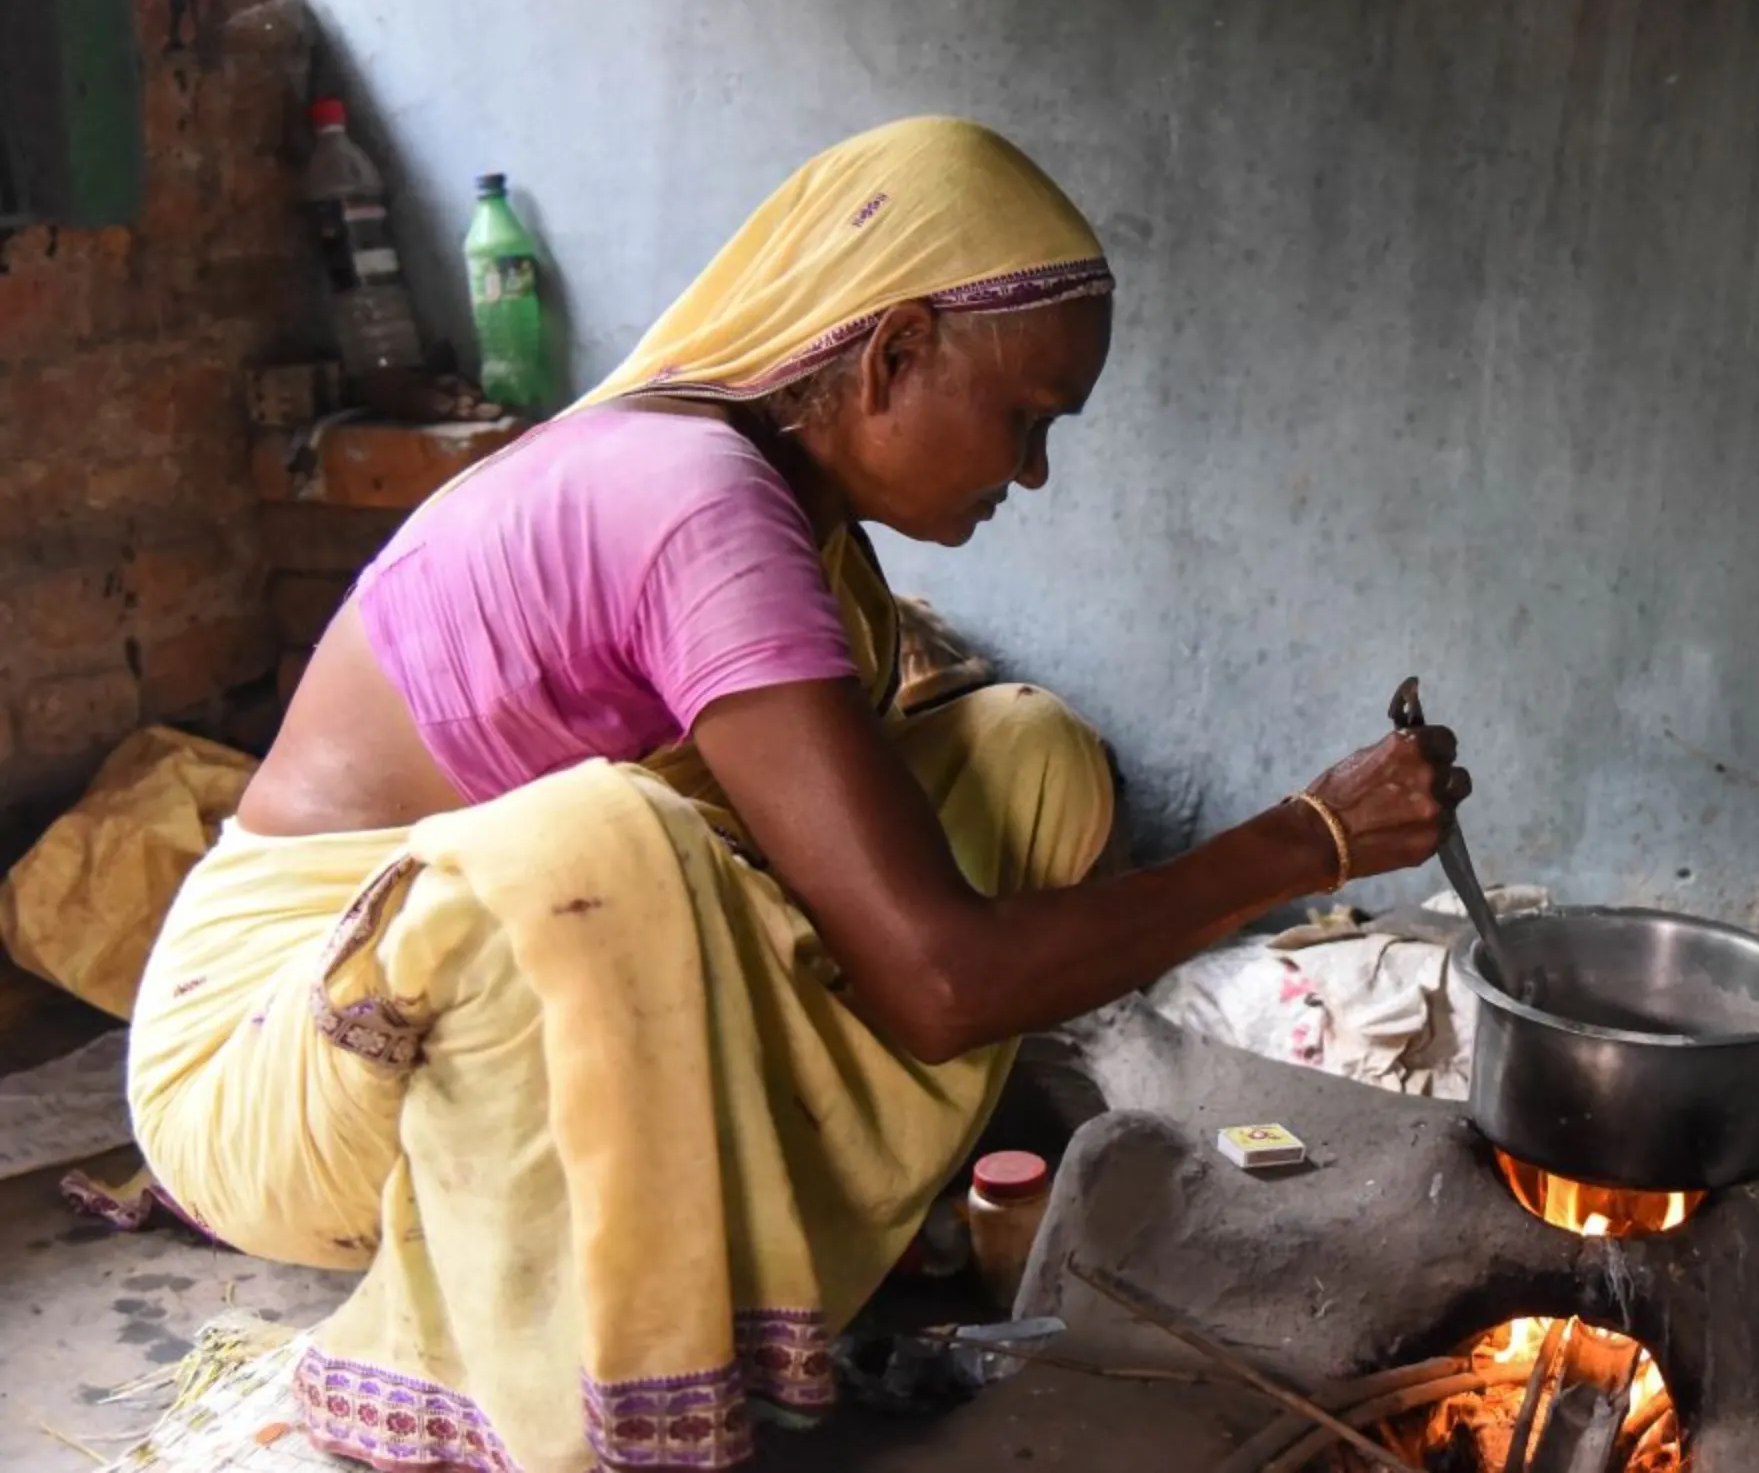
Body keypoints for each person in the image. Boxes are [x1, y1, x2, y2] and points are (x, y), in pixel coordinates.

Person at [120, 117, 1469, 1473]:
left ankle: (755, 1278)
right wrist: (1308, 839)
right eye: (1027, 420)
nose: (1034, 473)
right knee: (602, 846)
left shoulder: (775, 505)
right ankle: (556, 1411)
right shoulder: (695, 500)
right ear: (893, 356)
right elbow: (937, 980)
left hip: (448, 1027)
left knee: (1027, 755)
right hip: (272, 1065)